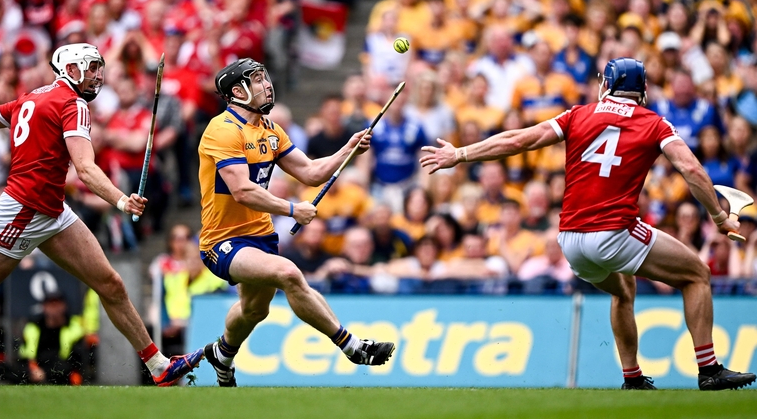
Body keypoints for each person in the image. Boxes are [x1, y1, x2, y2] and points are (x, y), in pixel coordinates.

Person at [420, 57, 756, 391]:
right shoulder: (655, 123)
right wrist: (719, 216)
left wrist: (461, 154)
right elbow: (692, 170)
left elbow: (519, 140)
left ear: (606, 85)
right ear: (643, 90)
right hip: (614, 233)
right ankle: (709, 370)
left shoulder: (578, 114)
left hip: (570, 241)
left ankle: (632, 378)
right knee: (697, 274)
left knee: (623, 289)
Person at [0, 43, 203, 386]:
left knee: (111, 284)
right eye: (90, 68)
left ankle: (159, 365)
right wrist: (121, 201)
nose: (97, 75)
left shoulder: (30, 97)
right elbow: (85, 169)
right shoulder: (73, 104)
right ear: (69, 70)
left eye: (99, 67)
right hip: (23, 214)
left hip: (53, 212)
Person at [198, 58, 395, 387]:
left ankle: (222, 354)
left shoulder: (270, 130)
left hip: (260, 236)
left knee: (254, 310)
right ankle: (352, 346)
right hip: (222, 241)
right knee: (288, 273)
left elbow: (311, 172)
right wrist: (292, 209)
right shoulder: (222, 130)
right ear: (237, 91)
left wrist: (347, 150)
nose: (266, 84)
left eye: (264, 77)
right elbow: (243, 191)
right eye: (256, 80)